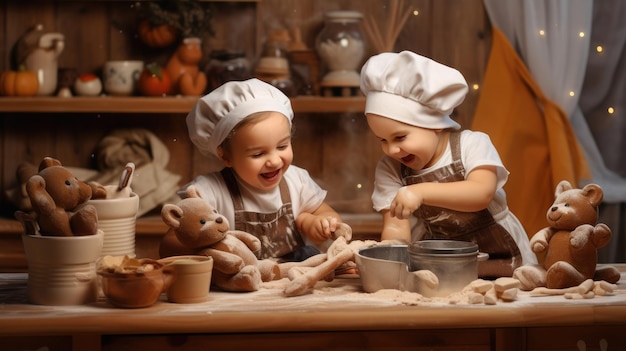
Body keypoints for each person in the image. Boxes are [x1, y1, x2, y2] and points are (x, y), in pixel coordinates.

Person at [359, 51, 536, 277]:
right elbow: (396, 227)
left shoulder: (472, 144)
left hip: (502, 253)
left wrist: (419, 191)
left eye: (400, 137)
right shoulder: (391, 168)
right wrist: (391, 264)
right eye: (382, 140)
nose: (392, 149)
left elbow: (481, 194)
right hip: (441, 260)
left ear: (435, 124)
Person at [182, 78, 349, 262]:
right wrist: (203, 239)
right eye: (258, 154)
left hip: (294, 275)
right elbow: (172, 243)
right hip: (239, 277)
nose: (274, 161)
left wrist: (322, 223)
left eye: (282, 146)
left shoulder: (297, 180)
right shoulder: (210, 191)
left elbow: (328, 214)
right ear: (225, 156)